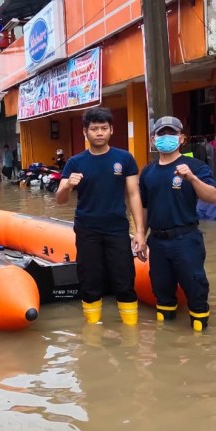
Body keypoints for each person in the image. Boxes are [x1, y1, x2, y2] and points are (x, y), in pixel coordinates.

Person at [55, 107, 146, 325]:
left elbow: (133, 195)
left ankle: (130, 332)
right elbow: (60, 200)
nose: (99, 133)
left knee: (124, 280)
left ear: (111, 130)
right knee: (89, 280)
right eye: (94, 129)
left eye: (104, 128)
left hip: (117, 229)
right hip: (87, 229)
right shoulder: (75, 163)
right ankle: (92, 332)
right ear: (84, 132)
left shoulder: (124, 159)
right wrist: (67, 185)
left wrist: (140, 232)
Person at [140, 116, 216, 331]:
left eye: (172, 133)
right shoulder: (147, 171)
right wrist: (140, 236)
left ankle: (201, 343)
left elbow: (212, 197)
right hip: (157, 241)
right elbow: (144, 207)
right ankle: (166, 345)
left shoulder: (195, 166)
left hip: (186, 240)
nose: (166, 138)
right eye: (161, 134)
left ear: (182, 138)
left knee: (196, 289)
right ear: (153, 140)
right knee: (162, 292)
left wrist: (192, 178)